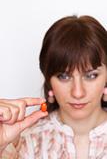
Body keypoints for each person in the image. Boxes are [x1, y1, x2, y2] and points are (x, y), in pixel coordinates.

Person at [0, 15, 107, 159]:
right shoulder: (25, 142)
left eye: (91, 76)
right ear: (49, 79)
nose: (77, 92)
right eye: (64, 76)